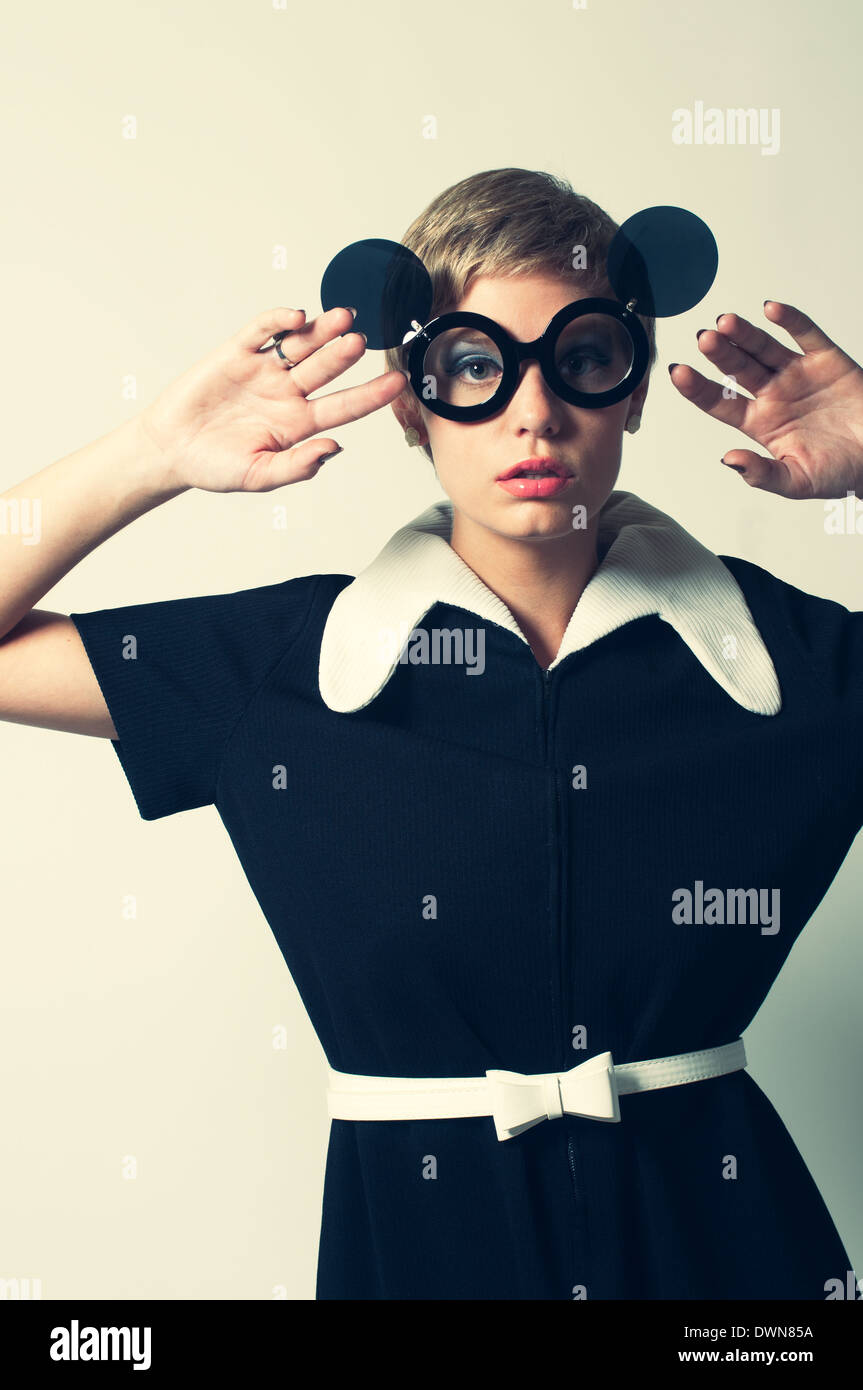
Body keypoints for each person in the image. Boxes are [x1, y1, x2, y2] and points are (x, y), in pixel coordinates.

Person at [1, 166, 861, 1300]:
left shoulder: (793, 661)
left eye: (586, 359)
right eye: (472, 365)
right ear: (409, 398)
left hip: (733, 1275)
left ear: (635, 388)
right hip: (414, 1259)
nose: (533, 410)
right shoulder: (284, 667)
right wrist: (152, 455)